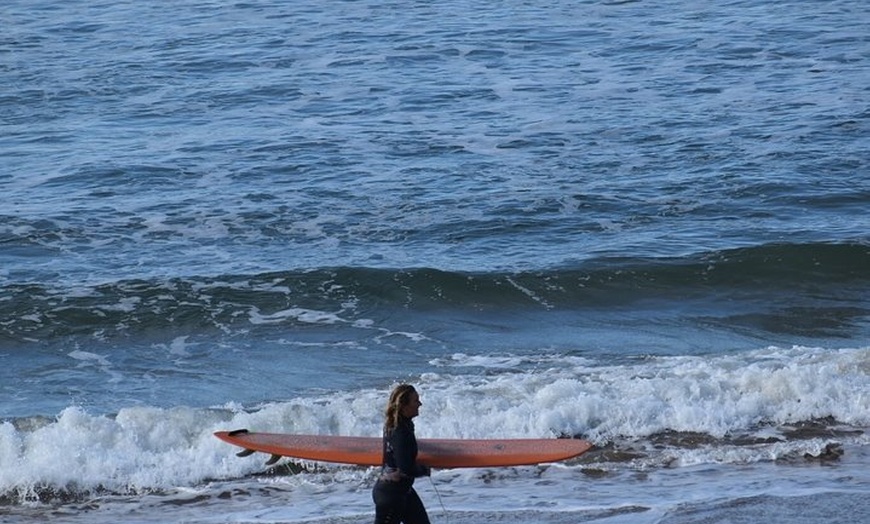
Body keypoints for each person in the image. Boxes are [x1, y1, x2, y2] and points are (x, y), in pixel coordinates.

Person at [372, 384, 431, 524]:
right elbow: (405, 467)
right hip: (391, 496)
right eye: (415, 401)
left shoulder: (397, 424)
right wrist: (424, 469)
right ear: (404, 406)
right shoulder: (400, 431)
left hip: (402, 490)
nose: (420, 404)